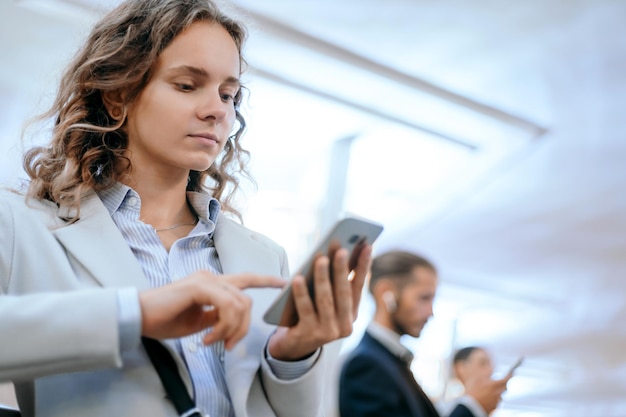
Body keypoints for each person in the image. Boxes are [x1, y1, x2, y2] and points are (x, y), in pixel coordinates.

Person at [0, 1, 372, 416]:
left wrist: (293, 355)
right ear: (119, 94)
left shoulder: (265, 258)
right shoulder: (22, 228)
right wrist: (134, 314)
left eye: (228, 94)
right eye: (187, 85)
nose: (217, 109)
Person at [338, 250, 506, 417]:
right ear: (386, 293)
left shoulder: (390, 361)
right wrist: (471, 408)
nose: (430, 313)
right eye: (424, 298)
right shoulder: (367, 365)